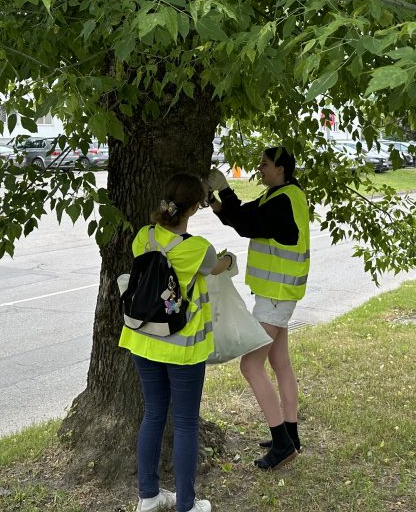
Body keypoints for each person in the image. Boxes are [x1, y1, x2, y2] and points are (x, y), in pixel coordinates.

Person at [119, 173, 234, 512]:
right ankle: (186, 505)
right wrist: (229, 260)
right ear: (196, 207)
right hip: (183, 348)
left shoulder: (143, 236)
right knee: (184, 423)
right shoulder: (198, 249)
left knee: (153, 414)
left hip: (143, 340)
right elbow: (216, 267)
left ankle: (148, 497)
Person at [206, 146, 309, 471]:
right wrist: (217, 203)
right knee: (279, 363)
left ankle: (282, 445)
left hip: (276, 296)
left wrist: (224, 189)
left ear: (281, 168)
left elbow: (247, 223)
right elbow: (240, 216)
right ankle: (291, 435)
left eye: (265, 164)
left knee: (250, 366)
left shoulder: (283, 201)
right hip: (277, 294)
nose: (260, 168)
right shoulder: (277, 196)